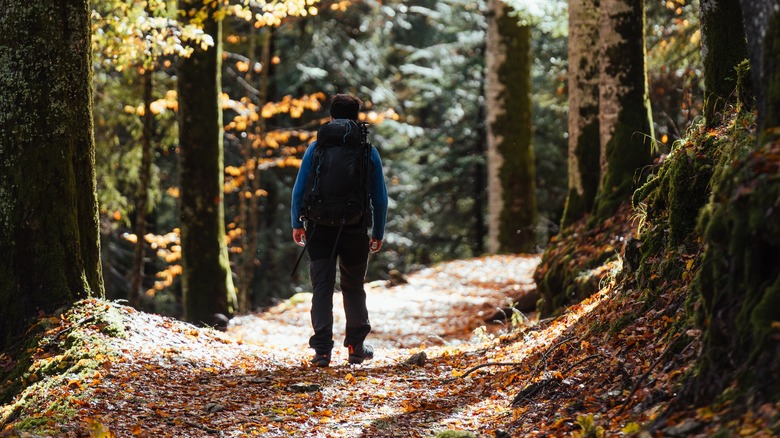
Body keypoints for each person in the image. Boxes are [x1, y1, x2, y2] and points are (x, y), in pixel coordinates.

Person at [291, 94, 388, 367]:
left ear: (331, 117)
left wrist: (296, 224)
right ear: (357, 117)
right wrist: (378, 232)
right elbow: (380, 198)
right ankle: (356, 347)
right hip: (355, 228)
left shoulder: (316, 148)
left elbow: (299, 190)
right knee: (353, 287)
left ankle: (322, 351)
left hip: (319, 227)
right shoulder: (368, 151)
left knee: (321, 287)